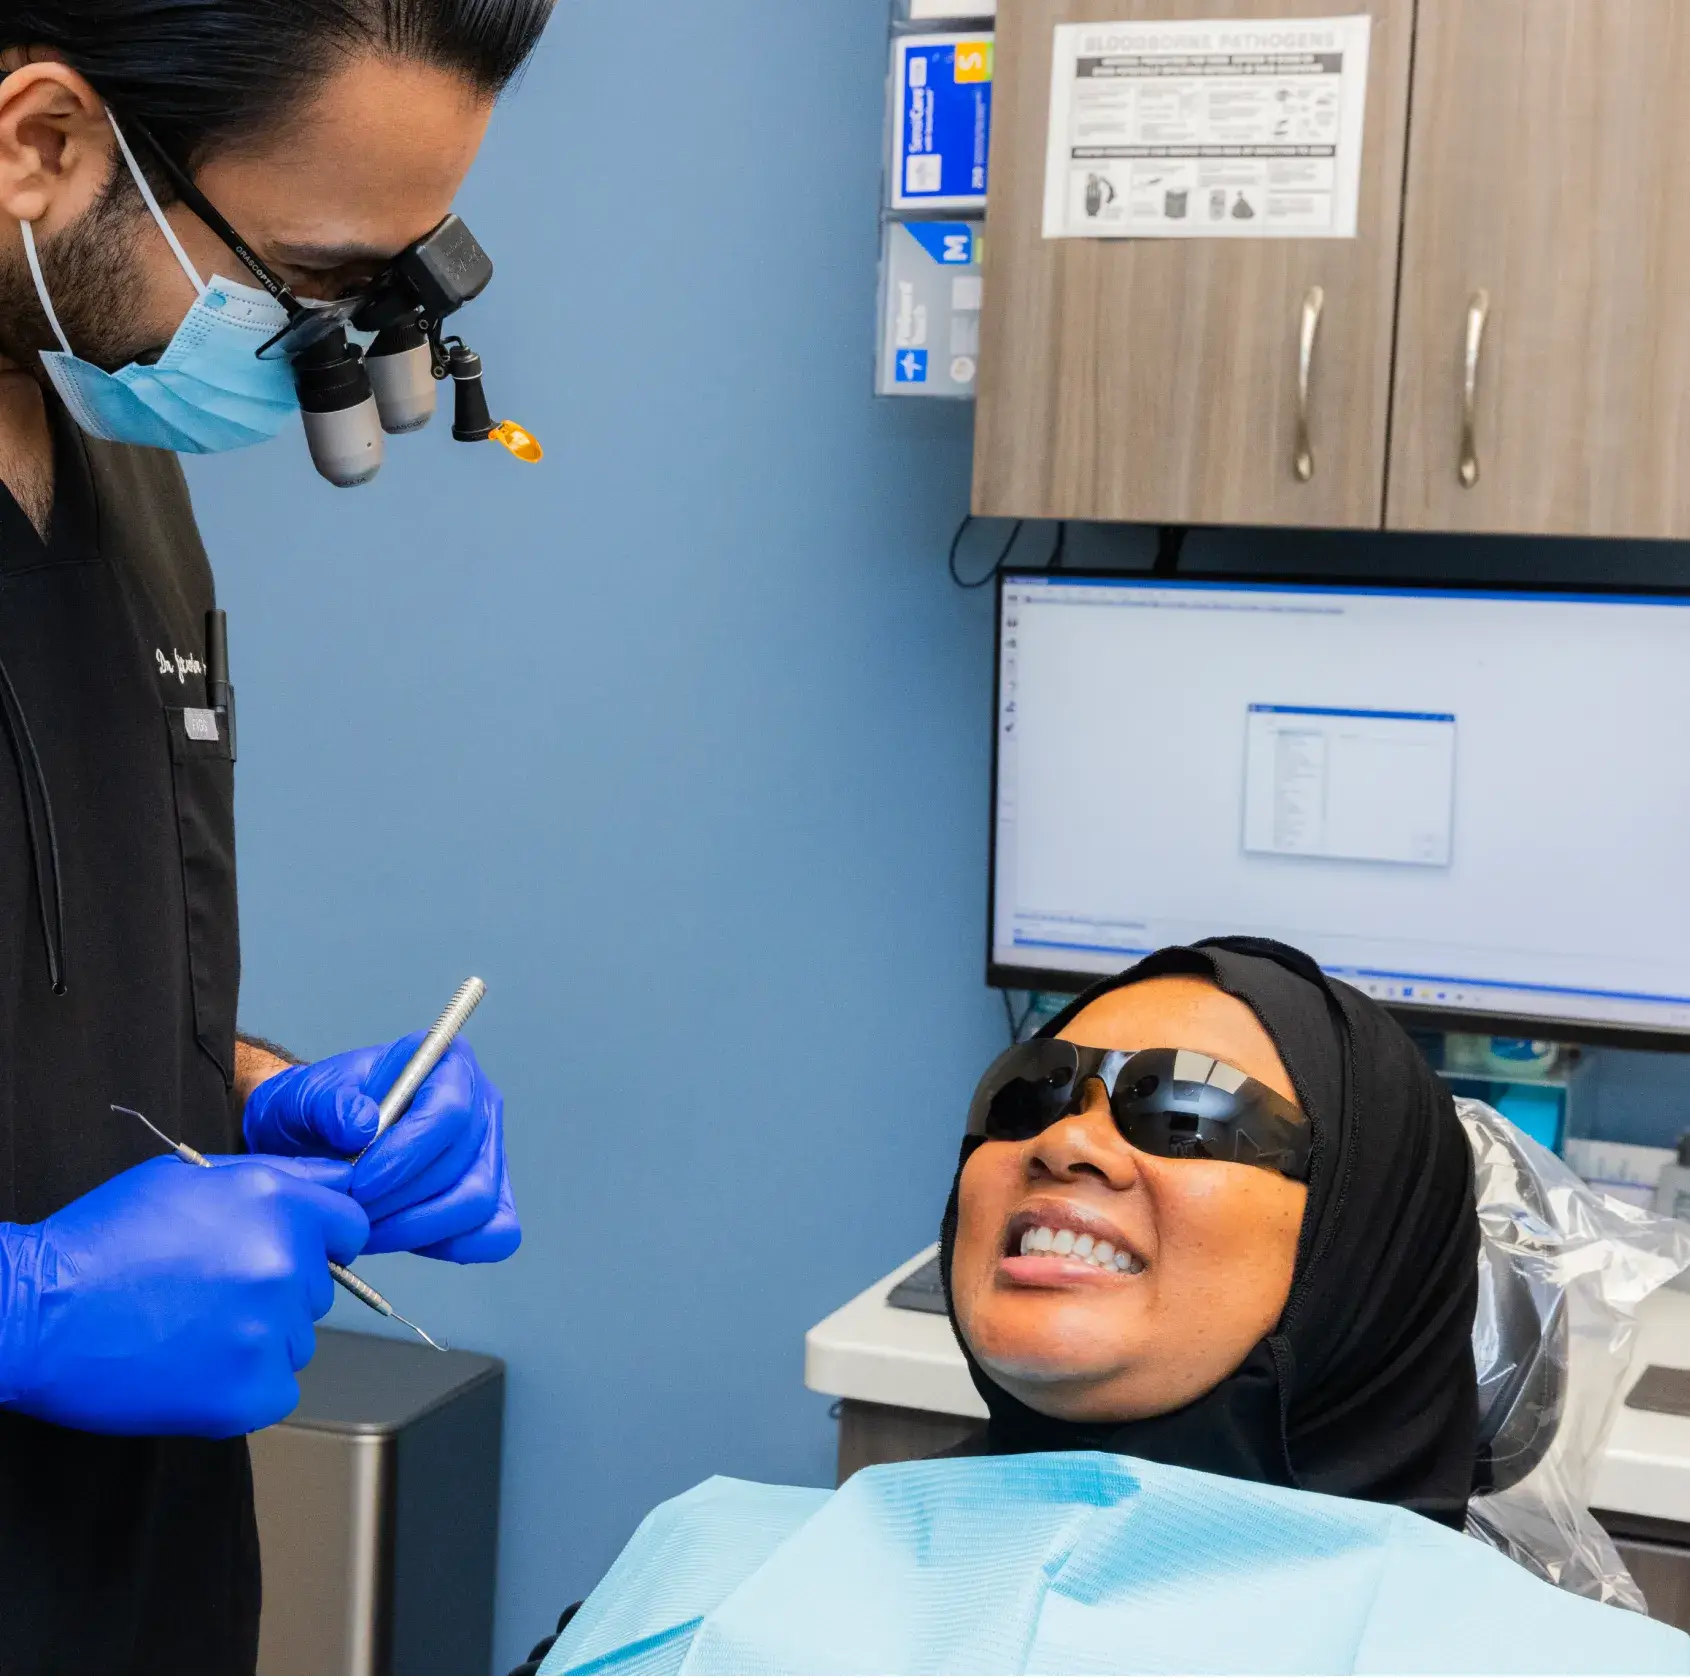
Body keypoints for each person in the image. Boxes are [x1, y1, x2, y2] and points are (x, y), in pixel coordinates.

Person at [0, 3, 550, 1670]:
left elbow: (63, 941)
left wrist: (243, 1085)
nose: (342, 347)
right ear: (41, 144)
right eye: (305, 278)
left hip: (129, 1587)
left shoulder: (102, 446)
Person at [517, 940, 1689, 1675]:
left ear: (1363, 1244)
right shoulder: (694, 1579)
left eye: (1188, 1109)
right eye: (1026, 1094)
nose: (1068, 1138)